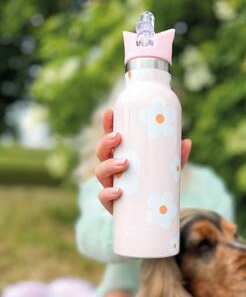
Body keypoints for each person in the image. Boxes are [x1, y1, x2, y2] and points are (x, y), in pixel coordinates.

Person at [75, 79, 235, 297]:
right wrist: (127, 219)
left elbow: (224, 251)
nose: (144, 138)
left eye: (154, 117)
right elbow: (89, 237)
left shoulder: (205, 184)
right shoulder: (104, 182)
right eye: (132, 121)